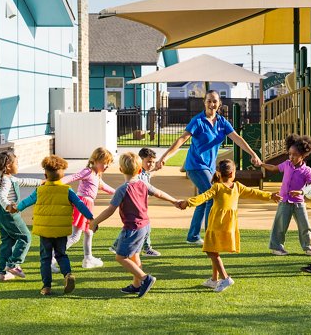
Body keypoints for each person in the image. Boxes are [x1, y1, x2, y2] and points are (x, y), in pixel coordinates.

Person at [155, 90, 262, 245]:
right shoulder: (197, 121)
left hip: (210, 168)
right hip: (196, 166)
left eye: (215, 101)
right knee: (212, 196)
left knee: (204, 200)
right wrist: (164, 157)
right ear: (204, 102)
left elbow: (237, 138)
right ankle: (211, 235)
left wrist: (253, 154)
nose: (212, 104)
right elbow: (181, 139)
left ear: (219, 103)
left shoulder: (222, 122)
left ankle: (193, 236)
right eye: (209, 101)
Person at [90, 152, 183, 298]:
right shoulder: (143, 183)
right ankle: (136, 284)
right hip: (145, 226)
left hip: (132, 228)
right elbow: (159, 193)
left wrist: (95, 222)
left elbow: (110, 210)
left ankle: (145, 278)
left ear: (121, 170)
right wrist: (175, 201)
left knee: (121, 257)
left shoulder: (122, 189)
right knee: (134, 255)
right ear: (140, 170)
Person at [179, 159, 281, 292]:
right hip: (230, 225)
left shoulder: (217, 187)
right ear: (233, 173)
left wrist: (188, 203)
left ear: (219, 173)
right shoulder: (237, 187)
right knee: (215, 250)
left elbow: (203, 197)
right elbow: (254, 193)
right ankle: (214, 280)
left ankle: (225, 278)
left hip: (216, 224)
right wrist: (270, 195)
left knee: (211, 251)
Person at [13, 155, 94, 296]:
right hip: (61, 230)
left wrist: (16, 208)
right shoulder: (67, 190)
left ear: (45, 174)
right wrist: (90, 217)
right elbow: (80, 204)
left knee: (45, 258)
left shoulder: (40, 190)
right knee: (61, 254)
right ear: (62, 175)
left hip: (45, 231)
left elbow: (26, 202)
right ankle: (68, 275)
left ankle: (46, 287)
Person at [51, 147, 115, 272]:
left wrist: (120, 192)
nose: (106, 166)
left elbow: (104, 187)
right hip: (83, 204)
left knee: (89, 232)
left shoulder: (97, 175)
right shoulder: (88, 171)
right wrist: (57, 183)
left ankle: (88, 259)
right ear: (95, 160)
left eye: (108, 163)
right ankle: (52, 258)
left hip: (88, 205)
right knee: (75, 236)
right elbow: (74, 177)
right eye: (104, 163)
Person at [261, 134, 311, 256]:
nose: (291, 157)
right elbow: (274, 168)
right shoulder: (286, 164)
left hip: (299, 203)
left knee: (304, 226)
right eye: (290, 154)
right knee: (280, 225)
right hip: (284, 201)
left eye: (295, 155)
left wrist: (303, 192)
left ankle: (308, 247)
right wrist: (261, 164)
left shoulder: (307, 171)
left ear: (303, 155)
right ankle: (277, 247)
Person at [0, 151, 43, 281]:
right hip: (8, 214)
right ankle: (13, 264)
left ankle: (3, 273)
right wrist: (8, 206)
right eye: (16, 163)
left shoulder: (8, 178)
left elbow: (24, 181)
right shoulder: (5, 181)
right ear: (9, 165)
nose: (18, 165)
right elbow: (1, 195)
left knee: (7, 241)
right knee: (25, 237)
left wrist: (41, 182)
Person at [109, 147, 161, 257]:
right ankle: (146, 248)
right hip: (137, 205)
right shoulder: (139, 175)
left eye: (153, 162)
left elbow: (148, 175)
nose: (151, 164)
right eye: (148, 162)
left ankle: (116, 245)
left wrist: (155, 169)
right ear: (140, 161)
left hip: (140, 205)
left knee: (137, 226)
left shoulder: (144, 173)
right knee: (140, 226)